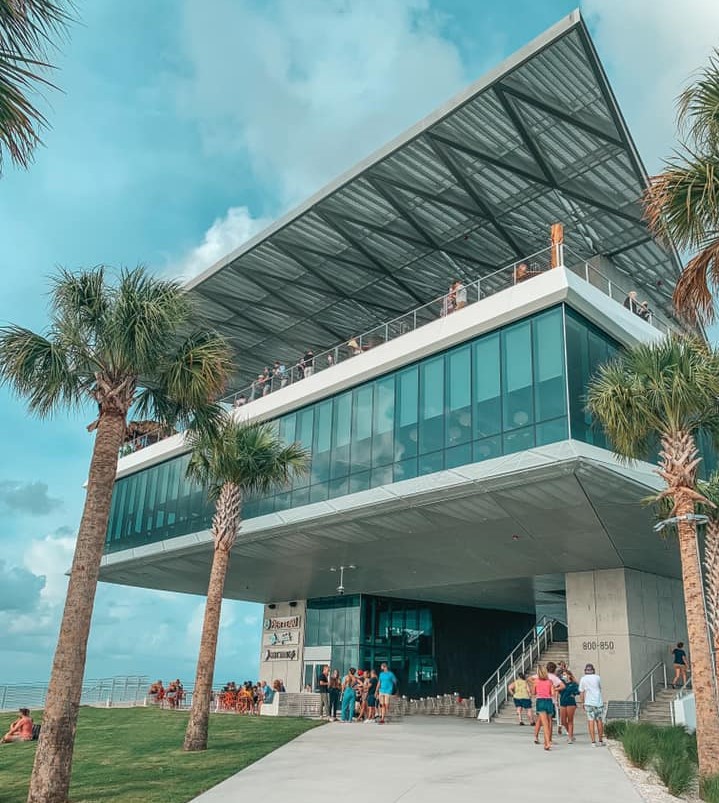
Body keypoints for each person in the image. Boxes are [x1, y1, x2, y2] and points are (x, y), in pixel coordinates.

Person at [532, 665, 561, 750]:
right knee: (548, 724)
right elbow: (552, 693)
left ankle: (547, 743)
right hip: (549, 702)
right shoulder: (550, 681)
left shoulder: (536, 681)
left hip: (540, 701)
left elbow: (533, 692)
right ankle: (547, 742)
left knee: (544, 724)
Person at [579, 663, 605, 746]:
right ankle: (600, 740)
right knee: (599, 721)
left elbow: (582, 692)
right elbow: (600, 688)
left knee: (591, 721)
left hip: (589, 702)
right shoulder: (597, 677)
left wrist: (582, 702)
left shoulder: (583, 679)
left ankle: (593, 742)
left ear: (585, 671)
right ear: (593, 670)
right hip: (598, 702)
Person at [559, 670, 580, 743]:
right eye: (563, 675)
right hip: (563, 702)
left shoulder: (573, 684)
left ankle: (570, 737)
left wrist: (574, 694)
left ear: (569, 675)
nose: (563, 676)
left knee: (570, 720)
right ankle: (570, 733)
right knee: (563, 721)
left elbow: (578, 690)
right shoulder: (561, 683)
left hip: (570, 703)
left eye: (565, 674)